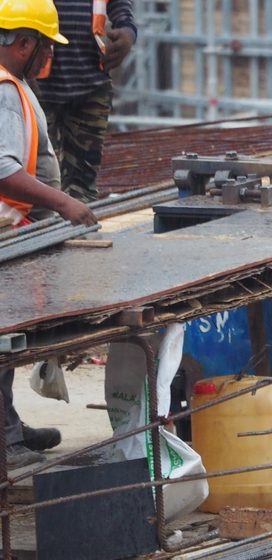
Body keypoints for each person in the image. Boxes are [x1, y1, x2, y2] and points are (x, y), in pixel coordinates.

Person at [1, 0, 98, 469]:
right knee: (2, 338)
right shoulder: (3, 89)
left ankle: (10, 427)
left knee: (8, 336)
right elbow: (2, 170)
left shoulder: (13, 83)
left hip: (12, 229)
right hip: (4, 231)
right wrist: (64, 204)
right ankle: (7, 445)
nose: (48, 58)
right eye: (45, 47)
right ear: (24, 43)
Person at [37, 0, 136, 202]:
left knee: (82, 189)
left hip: (91, 80)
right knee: (39, 181)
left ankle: (78, 231)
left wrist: (127, 30)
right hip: (37, 85)